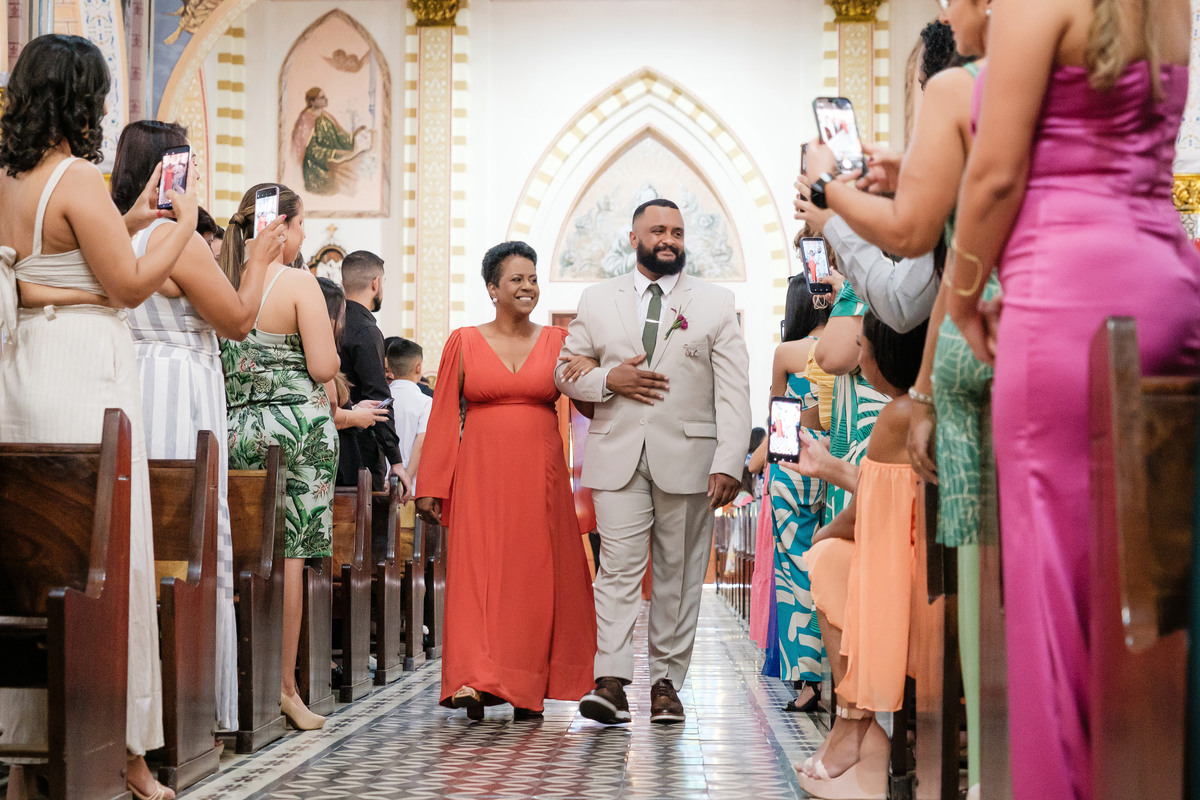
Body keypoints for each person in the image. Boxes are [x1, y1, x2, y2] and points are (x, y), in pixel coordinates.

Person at [948, 0, 1200, 796]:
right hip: (1168, 279)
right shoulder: (1166, 6)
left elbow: (994, 176)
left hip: (1065, 292)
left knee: (1052, 585)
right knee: (1150, 589)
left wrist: (961, 293)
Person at [797, 4, 991, 790]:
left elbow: (910, 287)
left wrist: (829, 203)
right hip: (1059, 321)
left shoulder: (968, 94)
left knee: (962, 563)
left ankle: (877, 742)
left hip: (972, 360)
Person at [0, 34, 198, 800]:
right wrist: (178, 225)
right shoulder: (78, 177)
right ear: (79, 99)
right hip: (85, 371)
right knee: (111, 559)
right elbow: (131, 285)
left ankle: (24, 758)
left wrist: (131, 219)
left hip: (21, 376)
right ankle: (129, 755)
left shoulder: (11, 180)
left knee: (31, 567)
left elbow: (28, 283)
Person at [111, 119, 287, 741]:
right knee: (189, 543)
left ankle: (131, 710)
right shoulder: (174, 235)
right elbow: (238, 319)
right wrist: (260, 259)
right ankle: (186, 710)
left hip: (131, 380)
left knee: (139, 542)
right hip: (180, 387)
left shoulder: (115, 228)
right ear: (167, 169)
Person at [555, 199, 752, 725]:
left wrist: (730, 461)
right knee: (617, 568)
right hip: (617, 451)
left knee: (679, 573)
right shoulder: (597, 300)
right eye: (658, 230)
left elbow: (734, 391)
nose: (669, 239)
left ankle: (666, 683)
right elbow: (564, 371)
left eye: (677, 231)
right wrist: (607, 380)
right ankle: (612, 681)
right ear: (633, 237)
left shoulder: (713, 302)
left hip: (690, 454)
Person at [415, 241, 597, 720]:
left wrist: (602, 376)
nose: (528, 287)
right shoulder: (464, 341)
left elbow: (588, 407)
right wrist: (433, 484)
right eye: (516, 279)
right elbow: (442, 416)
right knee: (479, 571)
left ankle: (526, 682)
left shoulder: (560, 343)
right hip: (480, 473)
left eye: (533, 278)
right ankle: (474, 678)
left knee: (533, 576)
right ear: (493, 288)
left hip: (542, 474)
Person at [790, 312, 927, 800]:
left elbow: (871, 510)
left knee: (829, 558)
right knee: (837, 553)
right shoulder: (926, 406)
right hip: (947, 563)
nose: (860, 356)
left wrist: (823, 534)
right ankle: (859, 727)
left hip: (922, 584)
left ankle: (856, 721)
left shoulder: (898, 413)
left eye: (864, 347)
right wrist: (829, 467)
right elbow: (893, 489)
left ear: (886, 354)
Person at [219, 183, 340, 732]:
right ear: (281, 225)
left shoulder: (224, 278)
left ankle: (230, 684)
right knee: (291, 557)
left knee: (240, 555)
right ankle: (285, 689)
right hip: (296, 433)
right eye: (301, 223)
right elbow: (321, 364)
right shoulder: (296, 281)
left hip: (236, 426)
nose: (306, 234)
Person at [765, 273, 830, 712]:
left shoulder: (789, 352)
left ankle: (809, 682)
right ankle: (839, 671)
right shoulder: (853, 347)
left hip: (794, 466)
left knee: (794, 570)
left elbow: (780, 422)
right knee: (832, 563)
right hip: (841, 458)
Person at [336, 250, 410, 495]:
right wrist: (396, 460)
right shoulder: (366, 330)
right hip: (359, 454)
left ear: (343, 282)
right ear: (376, 283)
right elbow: (379, 397)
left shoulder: (327, 320)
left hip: (328, 443)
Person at [317, 276, 389, 434]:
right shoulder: (319, 355)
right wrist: (355, 417)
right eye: (338, 317)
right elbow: (329, 409)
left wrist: (356, 409)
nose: (341, 326)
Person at [290, 87, 364, 196]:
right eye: (322, 97)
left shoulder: (326, 116)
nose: (326, 99)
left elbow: (338, 134)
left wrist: (353, 136)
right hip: (315, 169)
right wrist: (334, 153)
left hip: (330, 164)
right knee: (335, 187)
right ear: (312, 102)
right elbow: (310, 151)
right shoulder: (306, 120)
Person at [386, 337, 431, 483]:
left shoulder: (381, 400)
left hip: (383, 479)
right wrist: (407, 479)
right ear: (419, 367)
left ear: (390, 368)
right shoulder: (425, 402)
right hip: (411, 481)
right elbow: (421, 442)